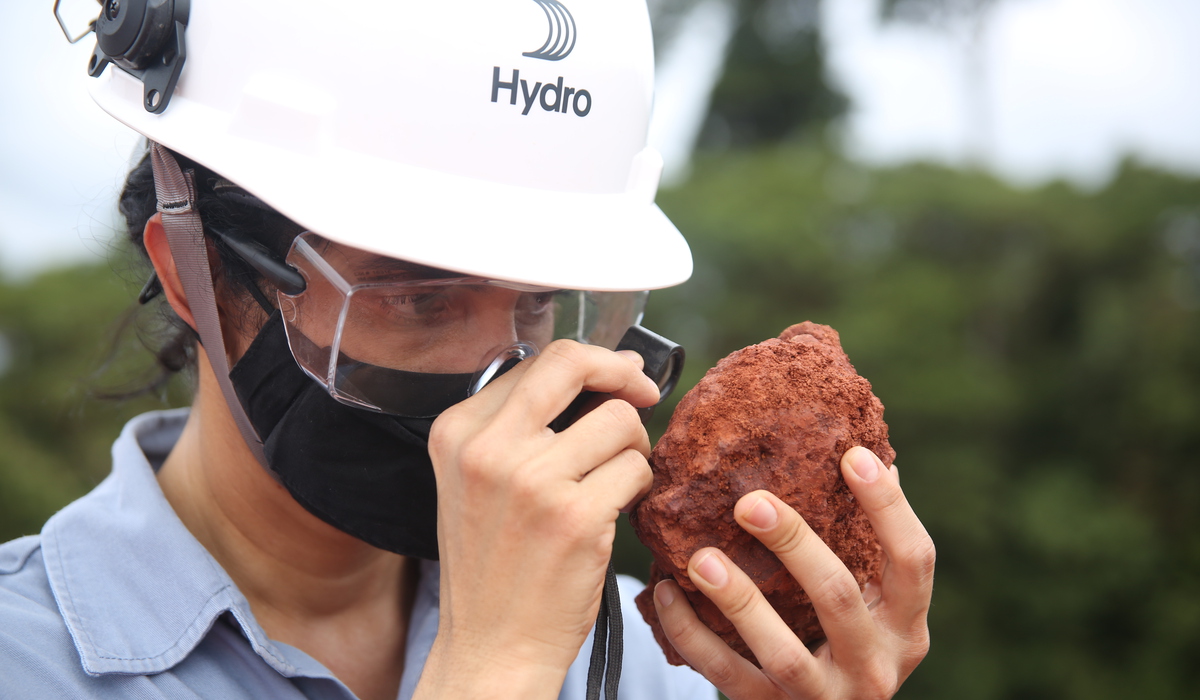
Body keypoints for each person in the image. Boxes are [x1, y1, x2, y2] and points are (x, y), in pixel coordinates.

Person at [0, 1, 933, 698]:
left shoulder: (654, 664)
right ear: (189, 265)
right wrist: (496, 669)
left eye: (539, 302)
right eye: (418, 298)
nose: (500, 378)